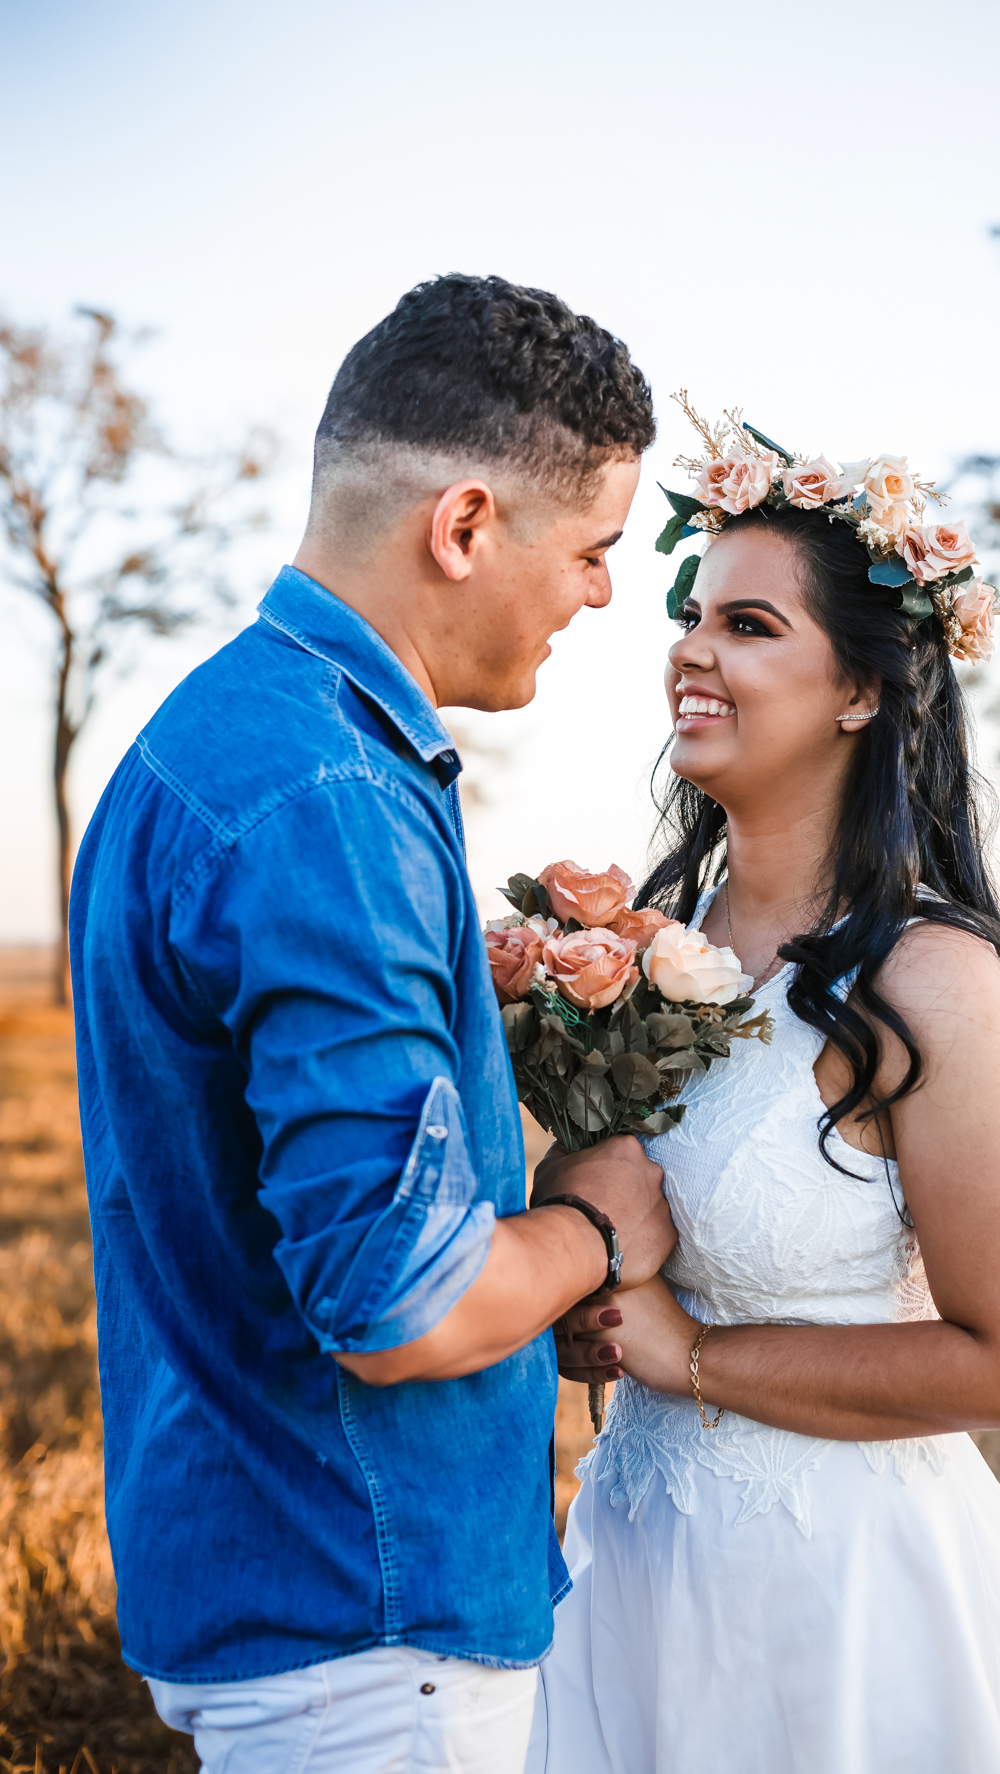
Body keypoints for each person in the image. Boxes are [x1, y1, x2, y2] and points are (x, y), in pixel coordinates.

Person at [69, 273, 676, 1774]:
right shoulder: (329, 803)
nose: (604, 593)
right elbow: (400, 1300)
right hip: (368, 1644)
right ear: (464, 526)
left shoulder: (212, 739)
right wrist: (595, 1231)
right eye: (594, 549)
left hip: (275, 1583)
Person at [529, 423, 1000, 1771]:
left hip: (844, 1598)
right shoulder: (638, 946)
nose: (689, 648)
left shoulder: (924, 974)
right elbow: (617, 1219)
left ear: (860, 686)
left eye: (745, 621)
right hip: (635, 1555)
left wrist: (693, 1358)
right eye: (688, 616)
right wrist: (583, 1297)